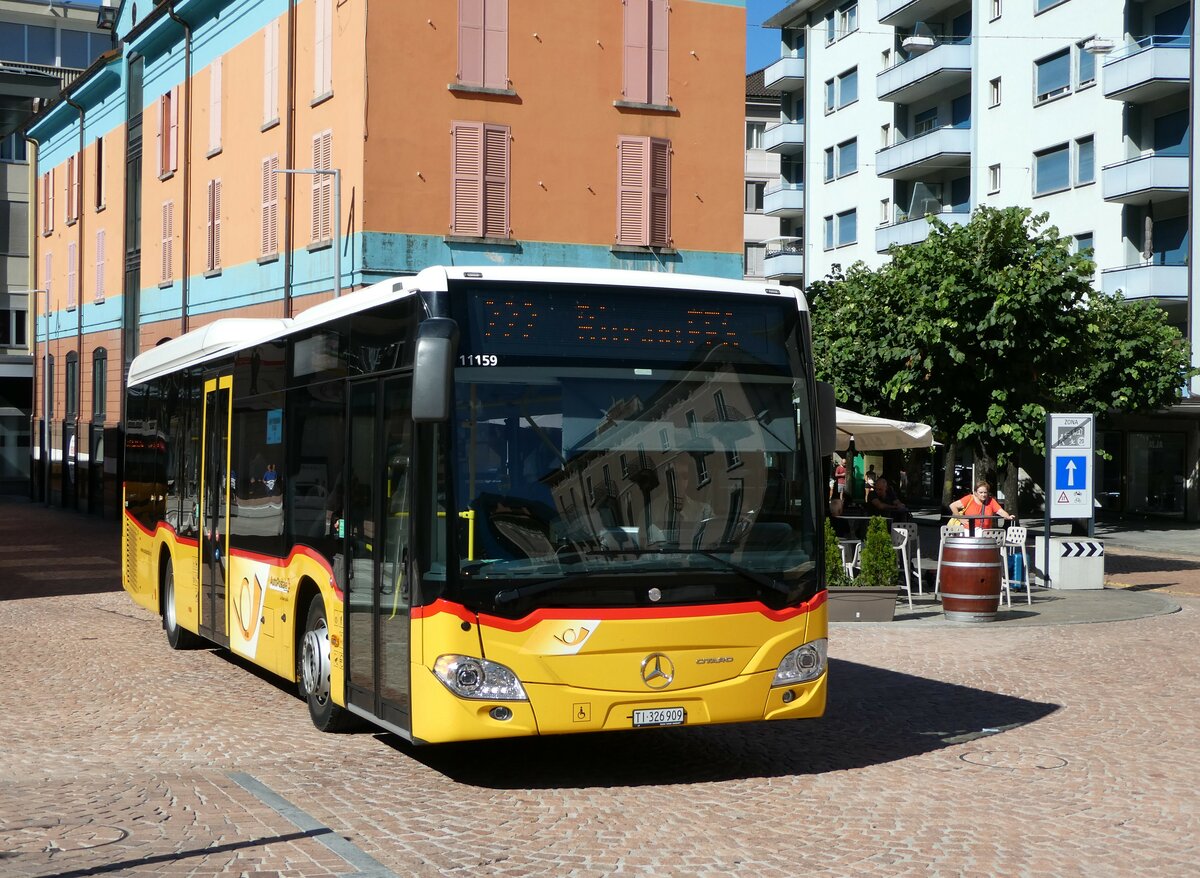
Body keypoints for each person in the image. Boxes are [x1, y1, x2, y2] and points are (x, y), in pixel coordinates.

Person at [950, 480, 1014, 530]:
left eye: (985, 492)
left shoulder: (991, 501)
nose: (983, 495)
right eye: (980, 492)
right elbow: (952, 506)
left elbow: (1000, 511)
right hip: (968, 530)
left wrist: (1008, 516)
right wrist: (961, 519)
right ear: (975, 493)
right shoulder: (969, 498)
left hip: (985, 532)